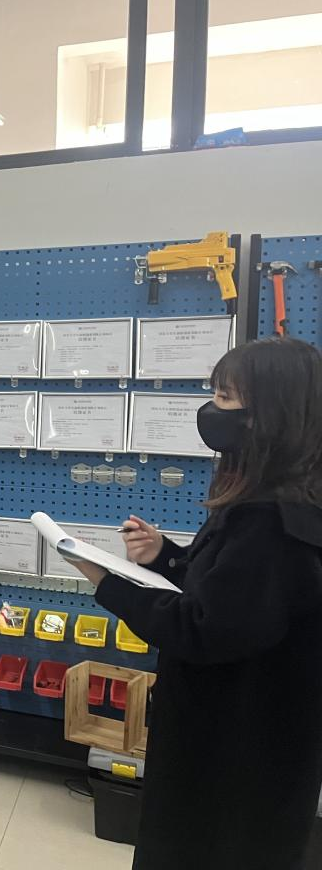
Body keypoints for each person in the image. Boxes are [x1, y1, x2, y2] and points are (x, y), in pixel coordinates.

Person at [70, 337, 322, 870]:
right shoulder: (269, 499)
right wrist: (167, 557)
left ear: (268, 415)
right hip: (244, 741)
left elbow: (202, 629)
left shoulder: (275, 523)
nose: (212, 410)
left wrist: (107, 581)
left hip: (236, 753)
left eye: (225, 398)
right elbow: (228, 594)